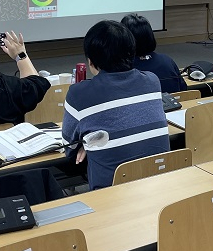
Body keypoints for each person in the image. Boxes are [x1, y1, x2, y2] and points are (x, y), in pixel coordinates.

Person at [62, 20, 170, 190]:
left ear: (90, 61)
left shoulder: (79, 94)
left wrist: (88, 141)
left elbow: (69, 148)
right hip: (161, 186)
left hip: (112, 194)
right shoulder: (152, 81)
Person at [121, 13, 187, 94]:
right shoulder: (167, 60)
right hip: (176, 104)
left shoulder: (123, 70)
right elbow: (183, 90)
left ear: (124, 39)